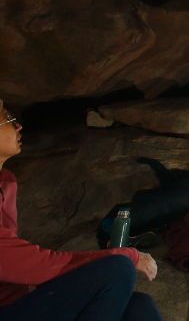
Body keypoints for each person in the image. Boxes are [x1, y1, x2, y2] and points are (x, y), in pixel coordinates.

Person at [0, 100, 162, 321]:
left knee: (138, 306)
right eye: (8, 120)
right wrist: (127, 255)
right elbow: (29, 263)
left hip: (17, 303)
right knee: (116, 270)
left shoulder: (6, 182)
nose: (18, 126)